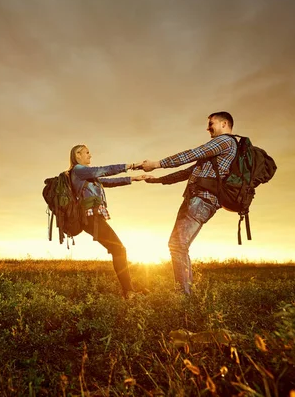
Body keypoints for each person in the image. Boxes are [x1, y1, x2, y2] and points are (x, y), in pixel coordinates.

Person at [141, 111, 238, 295]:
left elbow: (192, 154)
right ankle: (186, 294)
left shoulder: (224, 141)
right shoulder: (215, 152)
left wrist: (156, 163)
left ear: (224, 123)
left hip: (202, 200)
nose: (208, 127)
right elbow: (187, 172)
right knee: (178, 245)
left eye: (211, 123)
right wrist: (156, 180)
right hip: (195, 198)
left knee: (178, 245)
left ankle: (184, 298)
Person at [69, 144, 151, 299]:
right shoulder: (78, 170)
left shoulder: (86, 175)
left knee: (118, 249)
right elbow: (103, 170)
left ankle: (129, 291)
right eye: (87, 152)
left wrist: (133, 178)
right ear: (77, 154)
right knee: (119, 249)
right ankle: (129, 293)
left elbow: (107, 181)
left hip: (94, 217)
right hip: (91, 217)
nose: (90, 155)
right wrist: (131, 166)